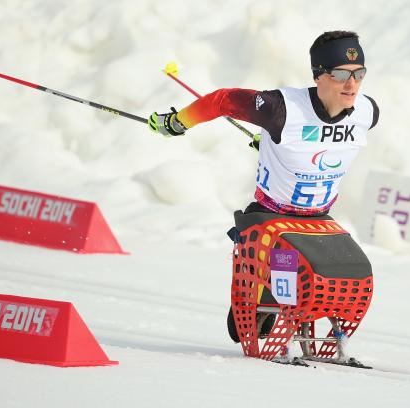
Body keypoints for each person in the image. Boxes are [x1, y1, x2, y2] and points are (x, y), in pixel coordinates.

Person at [148, 30, 379, 342]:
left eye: (358, 74)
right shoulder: (280, 109)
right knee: (252, 324)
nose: (351, 84)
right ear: (318, 76)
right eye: (340, 74)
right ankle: (254, 289)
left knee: (351, 276)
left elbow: (317, 143)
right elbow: (222, 100)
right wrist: (179, 122)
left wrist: (275, 144)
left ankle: (316, 325)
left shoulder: (367, 111)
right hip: (270, 217)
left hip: (318, 220)